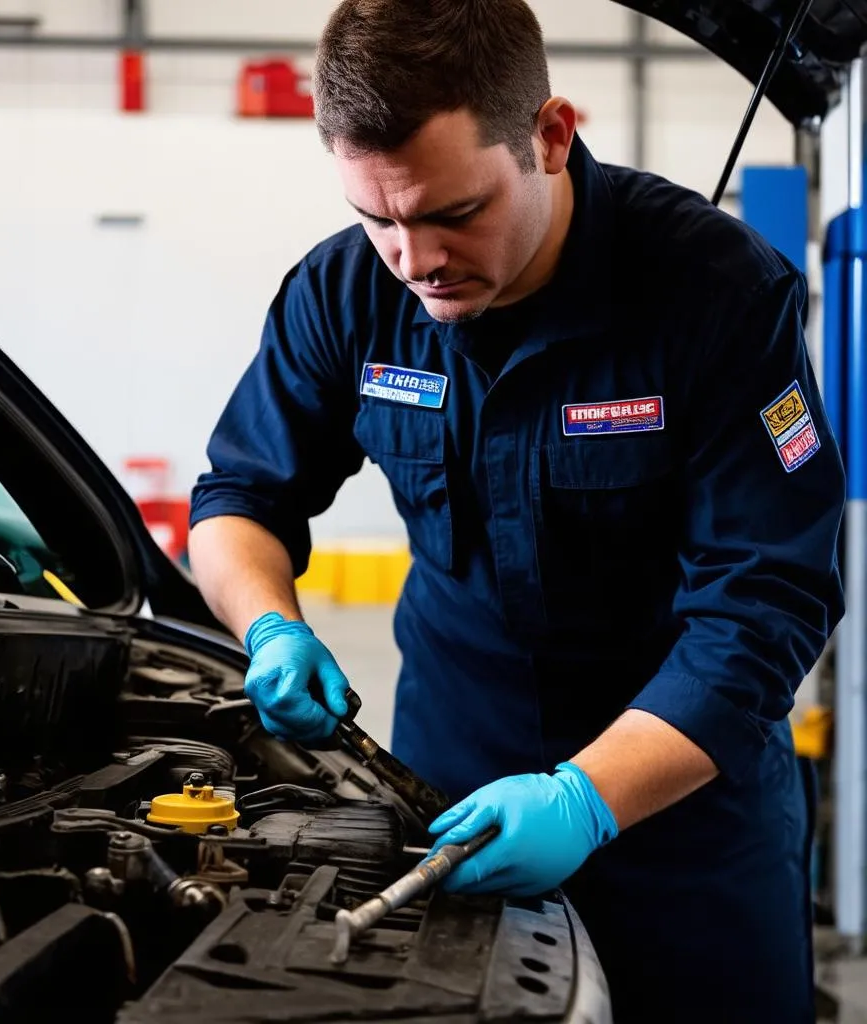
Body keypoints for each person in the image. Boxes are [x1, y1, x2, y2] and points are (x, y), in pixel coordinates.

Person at [187, 0, 845, 1019]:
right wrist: (267, 622)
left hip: (685, 821)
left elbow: (767, 600)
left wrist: (586, 799)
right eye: (378, 217)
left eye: (453, 212)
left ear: (549, 135)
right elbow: (238, 498)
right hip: (448, 797)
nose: (414, 259)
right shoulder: (344, 292)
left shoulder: (714, 291)